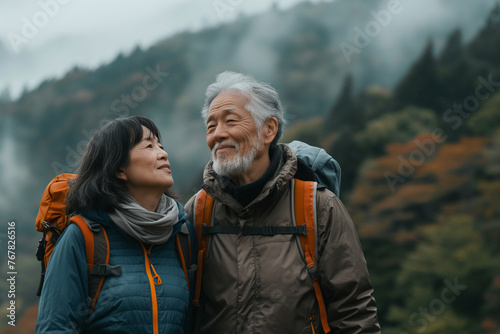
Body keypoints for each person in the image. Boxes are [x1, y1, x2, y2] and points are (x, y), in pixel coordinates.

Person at [184, 71, 381, 333]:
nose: (218, 134)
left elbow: (353, 311)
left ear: (269, 129)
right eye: (211, 126)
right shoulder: (198, 211)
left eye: (230, 121)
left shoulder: (318, 206)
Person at [36, 115, 192, 333]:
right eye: (148, 145)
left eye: (161, 145)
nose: (163, 153)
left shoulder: (181, 233)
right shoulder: (83, 236)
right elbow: (55, 327)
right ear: (119, 169)